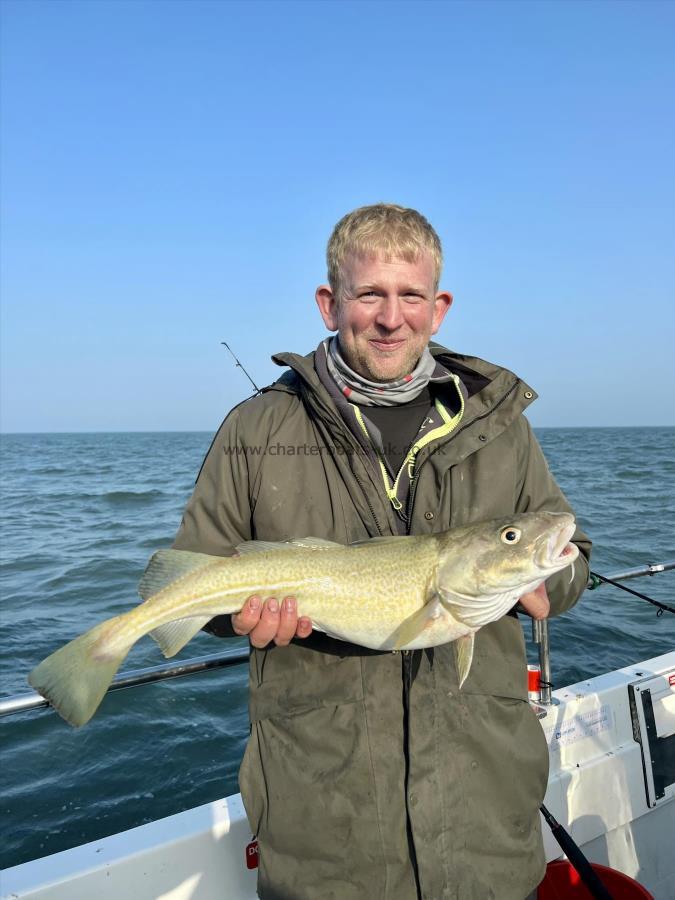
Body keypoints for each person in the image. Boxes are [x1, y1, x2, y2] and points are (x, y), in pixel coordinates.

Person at [173, 204, 591, 900]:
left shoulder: (500, 426)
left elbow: (568, 546)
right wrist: (234, 616)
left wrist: (556, 578)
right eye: (369, 295)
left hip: (482, 817)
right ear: (329, 303)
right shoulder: (255, 429)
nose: (390, 317)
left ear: (439, 307)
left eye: (410, 296)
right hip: (326, 830)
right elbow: (200, 568)